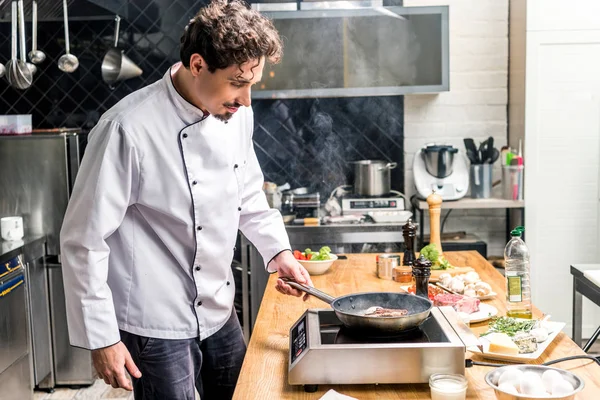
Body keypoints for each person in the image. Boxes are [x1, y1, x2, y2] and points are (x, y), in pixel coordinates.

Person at [59, 1, 313, 399]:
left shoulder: (235, 114)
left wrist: (278, 252)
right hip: (154, 321)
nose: (247, 99)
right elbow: (83, 240)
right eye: (236, 83)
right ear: (197, 65)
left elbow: (246, 190)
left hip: (217, 306)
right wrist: (102, 337)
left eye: (253, 83)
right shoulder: (127, 129)